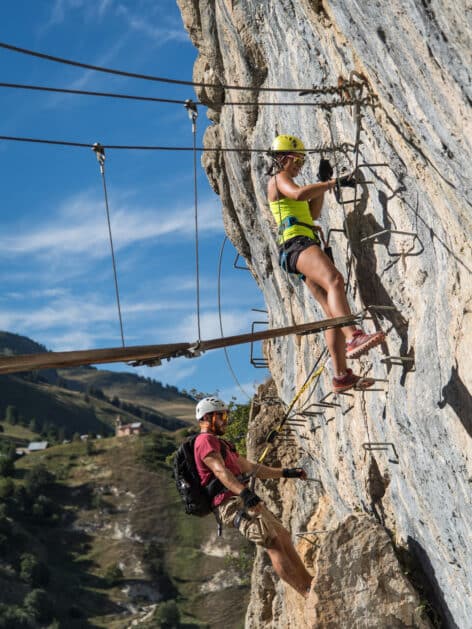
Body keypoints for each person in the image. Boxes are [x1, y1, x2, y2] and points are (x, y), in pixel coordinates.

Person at [267, 134, 385, 393]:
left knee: (332, 316)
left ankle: (341, 375)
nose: (299, 165)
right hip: (298, 243)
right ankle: (354, 337)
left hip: (297, 246)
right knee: (335, 280)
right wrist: (333, 182)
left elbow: (312, 213)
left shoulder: (285, 182)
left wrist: (323, 184)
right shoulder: (278, 179)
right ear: (285, 157)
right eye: (297, 160)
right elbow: (298, 195)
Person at [194, 396, 313, 598]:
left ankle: (310, 583)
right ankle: (306, 592)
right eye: (222, 416)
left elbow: (250, 467)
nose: (225, 420)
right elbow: (220, 471)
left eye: (226, 415)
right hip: (231, 504)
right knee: (272, 543)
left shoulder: (222, 444)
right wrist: (244, 492)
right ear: (208, 417)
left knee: (282, 536)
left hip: (242, 498)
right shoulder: (204, 441)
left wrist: (285, 472)